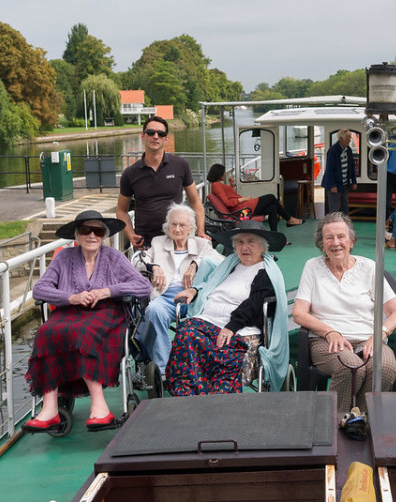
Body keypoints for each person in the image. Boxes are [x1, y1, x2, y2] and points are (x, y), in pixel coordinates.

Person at [22, 211, 151, 432]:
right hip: (69, 311)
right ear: (77, 235)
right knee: (45, 332)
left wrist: (107, 291)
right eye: (85, 230)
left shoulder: (114, 257)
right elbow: (39, 290)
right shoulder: (64, 257)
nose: (92, 235)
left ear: (104, 236)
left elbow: (143, 286)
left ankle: (99, 406)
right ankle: (50, 408)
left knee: (82, 333)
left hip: (106, 311)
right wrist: (71, 297)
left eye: (98, 231)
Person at [292, 213, 396, 412]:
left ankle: (360, 422)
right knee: (350, 367)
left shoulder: (369, 268)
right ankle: (334, 423)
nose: (335, 243)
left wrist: (381, 333)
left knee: (385, 369)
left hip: (369, 339)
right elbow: (299, 313)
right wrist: (329, 332)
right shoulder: (312, 267)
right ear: (322, 244)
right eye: (329, 238)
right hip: (326, 340)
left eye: (341, 236)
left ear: (351, 241)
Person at [165, 220, 289, 395]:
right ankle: (189, 395)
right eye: (240, 242)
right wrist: (194, 290)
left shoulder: (266, 272)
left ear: (263, 246)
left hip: (239, 329)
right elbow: (209, 283)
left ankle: (217, 398)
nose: (244, 247)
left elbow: (255, 302)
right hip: (206, 321)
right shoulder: (229, 264)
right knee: (185, 332)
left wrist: (232, 326)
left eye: (251, 242)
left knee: (223, 351)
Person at [133, 204, 224, 374]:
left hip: (195, 298)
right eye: (173, 224)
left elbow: (221, 261)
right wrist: (154, 267)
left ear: (191, 228)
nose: (177, 229)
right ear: (167, 226)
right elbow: (137, 262)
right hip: (165, 296)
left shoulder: (202, 244)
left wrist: (196, 263)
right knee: (152, 311)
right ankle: (163, 369)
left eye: (182, 225)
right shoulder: (158, 242)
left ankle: (200, 367)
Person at [116, 115, 208, 249]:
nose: (155, 136)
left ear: (166, 138)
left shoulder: (180, 165)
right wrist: (131, 235)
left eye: (160, 133)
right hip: (146, 242)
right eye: (150, 132)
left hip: (178, 238)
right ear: (143, 136)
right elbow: (121, 210)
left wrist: (200, 231)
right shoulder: (130, 173)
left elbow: (195, 202)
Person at [207, 163, 302, 230]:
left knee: (272, 208)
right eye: (223, 172)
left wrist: (232, 186)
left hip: (242, 209)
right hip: (242, 211)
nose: (224, 174)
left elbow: (231, 197)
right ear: (219, 173)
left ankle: (274, 237)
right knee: (271, 197)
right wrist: (244, 199)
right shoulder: (216, 185)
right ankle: (289, 219)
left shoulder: (217, 185)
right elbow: (228, 203)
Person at [322, 129, 357, 214]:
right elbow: (330, 170)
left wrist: (354, 181)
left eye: (350, 139)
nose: (349, 141)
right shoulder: (333, 151)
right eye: (348, 139)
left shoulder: (348, 150)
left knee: (345, 207)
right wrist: (333, 185)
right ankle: (333, 226)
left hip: (344, 183)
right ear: (341, 139)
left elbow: (351, 167)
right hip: (334, 184)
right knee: (335, 208)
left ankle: (345, 225)